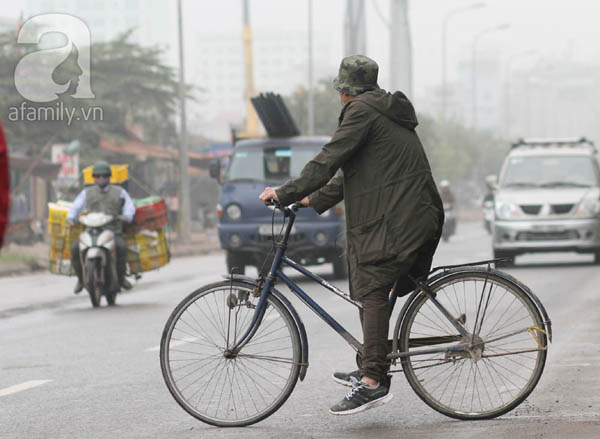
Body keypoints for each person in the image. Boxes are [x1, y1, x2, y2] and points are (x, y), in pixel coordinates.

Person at [259, 55, 443, 416]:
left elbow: (329, 159)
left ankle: (373, 381)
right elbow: (350, 174)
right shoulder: (382, 110)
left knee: (372, 283)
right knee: (371, 285)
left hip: (400, 218)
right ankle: (373, 362)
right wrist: (312, 199)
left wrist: (285, 192)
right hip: (410, 213)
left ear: (344, 91)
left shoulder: (361, 112)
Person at [66, 161, 135, 294]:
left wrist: (126, 216)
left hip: (113, 231)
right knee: (75, 249)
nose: (101, 179)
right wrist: (71, 218)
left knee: (121, 247)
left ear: (109, 177)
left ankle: (121, 278)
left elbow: (129, 209)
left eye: (104, 176)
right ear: (94, 178)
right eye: (97, 176)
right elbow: (76, 207)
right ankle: (81, 279)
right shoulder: (87, 193)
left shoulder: (120, 192)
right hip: (91, 231)